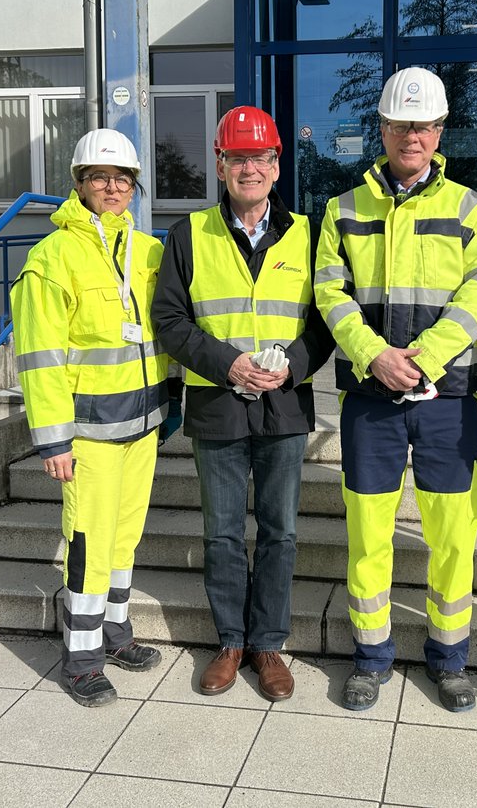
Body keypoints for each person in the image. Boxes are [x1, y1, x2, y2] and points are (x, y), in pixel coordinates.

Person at [314, 67, 477, 713]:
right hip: (371, 400)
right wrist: (374, 358)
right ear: (383, 129)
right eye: (400, 125)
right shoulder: (340, 209)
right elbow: (329, 293)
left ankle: (449, 661)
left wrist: (423, 358)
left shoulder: (474, 209)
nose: (411, 136)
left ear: (439, 130)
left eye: (422, 125)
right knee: (368, 535)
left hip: (447, 401)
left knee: (452, 536)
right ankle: (371, 659)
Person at [150, 106, 332, 702]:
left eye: (260, 157)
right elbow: (170, 321)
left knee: (279, 532)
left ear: (277, 166)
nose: (249, 168)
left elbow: (328, 321)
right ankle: (230, 640)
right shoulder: (188, 234)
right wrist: (226, 363)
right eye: (237, 158)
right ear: (220, 165)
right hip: (217, 406)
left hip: (284, 408)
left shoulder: (309, 233)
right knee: (223, 533)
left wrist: (294, 366)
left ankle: (269, 645)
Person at [11, 128, 170, 707]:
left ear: (133, 187)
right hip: (88, 434)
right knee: (88, 541)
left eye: (121, 179)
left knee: (125, 538)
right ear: (78, 184)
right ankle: (81, 659)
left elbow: (167, 333)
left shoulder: (149, 251)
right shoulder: (50, 258)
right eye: (99, 177)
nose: (111, 187)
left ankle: (116, 634)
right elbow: (39, 358)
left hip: (143, 426)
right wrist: (53, 441)